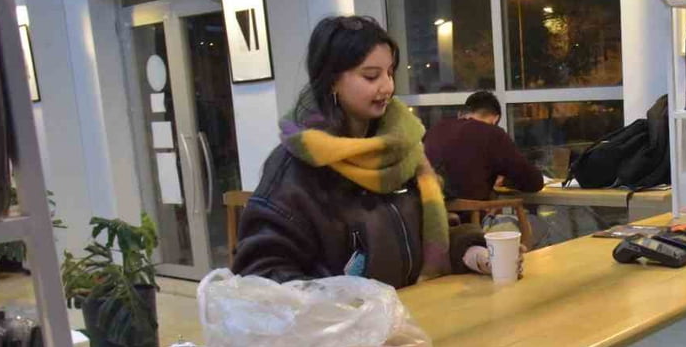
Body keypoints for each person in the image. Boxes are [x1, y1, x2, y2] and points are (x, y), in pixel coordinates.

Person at [232, 16, 491, 287]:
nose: (387, 86)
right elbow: (260, 274)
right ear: (331, 80)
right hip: (342, 326)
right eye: (371, 76)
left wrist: (472, 251)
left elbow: (426, 235)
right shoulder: (296, 167)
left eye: (390, 73)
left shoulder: (403, 149)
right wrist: (338, 304)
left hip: (410, 315)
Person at [424, 91, 544, 201]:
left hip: (430, 217)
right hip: (469, 217)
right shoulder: (491, 133)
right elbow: (534, 182)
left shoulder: (436, 129)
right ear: (495, 119)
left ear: (462, 113)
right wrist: (505, 181)